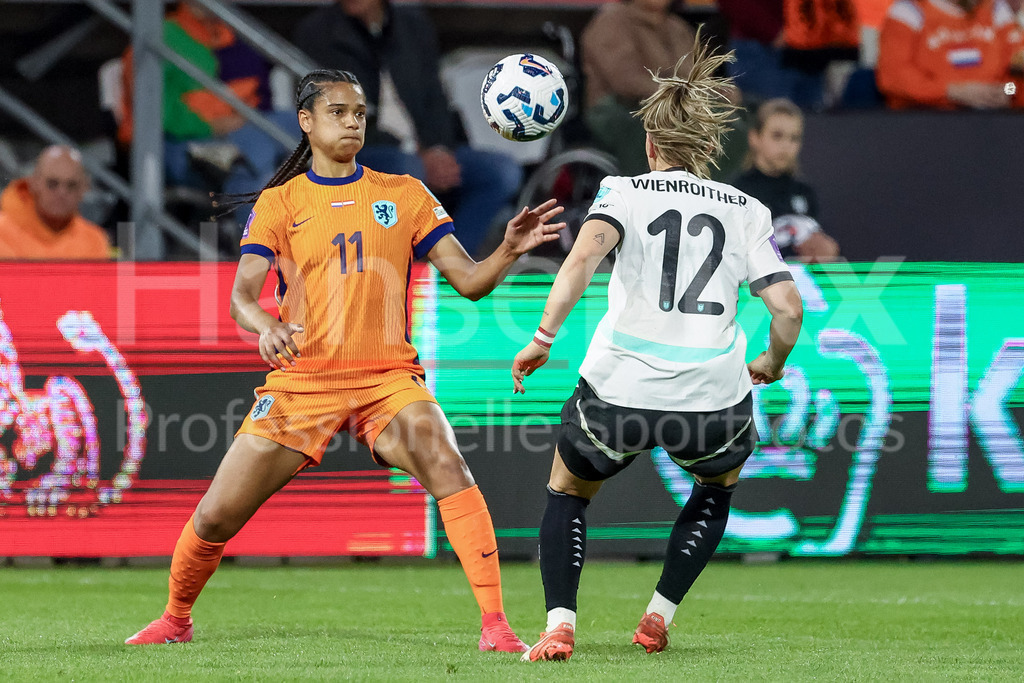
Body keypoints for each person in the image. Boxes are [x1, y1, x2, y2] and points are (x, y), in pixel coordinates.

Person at [124, 69, 566, 652]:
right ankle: (175, 620)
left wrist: (507, 249)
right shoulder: (280, 203)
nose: (352, 122)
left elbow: (470, 281)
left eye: (359, 113)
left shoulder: (405, 193)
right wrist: (268, 326)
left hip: (387, 379)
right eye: (338, 112)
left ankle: (496, 627)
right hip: (304, 382)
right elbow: (241, 298)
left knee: (449, 466)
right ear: (306, 121)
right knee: (215, 517)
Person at [509, 36, 804, 661]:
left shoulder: (623, 192)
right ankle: (656, 618)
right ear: (709, 147)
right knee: (714, 491)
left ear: (649, 145)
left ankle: (559, 625)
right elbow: (787, 308)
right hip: (712, 398)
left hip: (620, 391)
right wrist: (772, 364)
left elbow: (581, 258)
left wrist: (542, 339)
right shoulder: (748, 209)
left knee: (567, 492)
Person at [293, 0, 523, 258]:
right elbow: (334, 117)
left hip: (425, 146)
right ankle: (403, 271)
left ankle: (453, 265)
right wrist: (419, 156)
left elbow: (435, 97)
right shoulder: (318, 31)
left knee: (502, 172)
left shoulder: (413, 24)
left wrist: (439, 149)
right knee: (408, 170)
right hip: (365, 149)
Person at [119, 2, 301, 216]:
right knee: (254, 171)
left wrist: (241, 119)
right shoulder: (157, 37)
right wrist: (212, 126)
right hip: (176, 145)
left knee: (297, 121)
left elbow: (259, 98)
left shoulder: (237, 38)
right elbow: (159, 114)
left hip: (240, 136)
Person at [580, 0, 697, 177]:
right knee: (657, 126)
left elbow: (696, 75)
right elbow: (625, 80)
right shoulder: (612, 20)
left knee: (730, 121)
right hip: (617, 109)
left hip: (674, 107)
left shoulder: (677, 28)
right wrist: (674, 93)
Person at [731, 98, 839, 262]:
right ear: (754, 137)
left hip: (803, 285)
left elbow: (824, 248)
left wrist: (826, 250)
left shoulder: (805, 193)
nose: (785, 145)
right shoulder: (738, 192)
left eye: (794, 138)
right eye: (777, 136)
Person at [877, 0, 1023, 109]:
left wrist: (1007, 92)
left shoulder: (997, 9)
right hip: (926, 121)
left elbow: (1016, 80)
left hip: (993, 122)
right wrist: (951, 91)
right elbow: (893, 78)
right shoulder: (908, 11)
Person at [0, 146, 111, 260]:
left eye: (71, 185)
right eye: (52, 184)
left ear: (83, 189)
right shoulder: (2, 232)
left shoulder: (94, 240)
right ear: (34, 183)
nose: (61, 193)